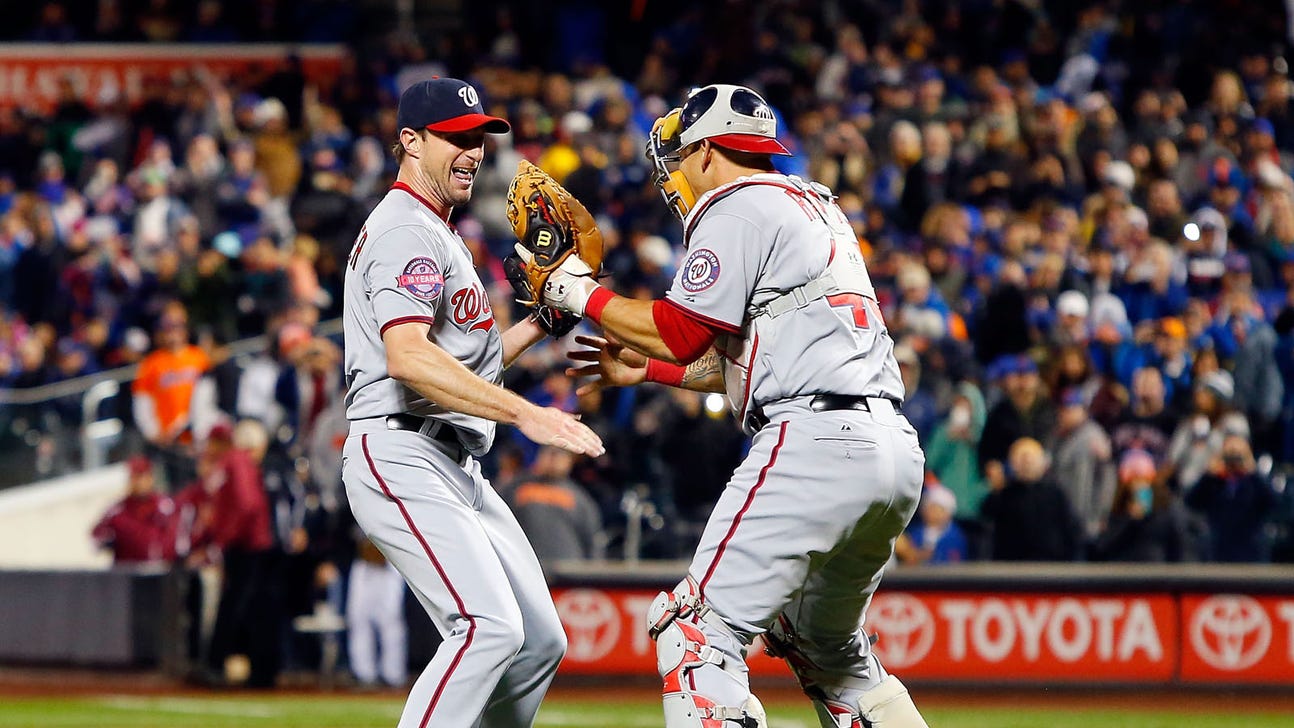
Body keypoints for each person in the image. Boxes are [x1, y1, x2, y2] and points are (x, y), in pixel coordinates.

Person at [553, 84, 929, 727]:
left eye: (681, 155)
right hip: (888, 449)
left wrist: (576, 291)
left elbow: (680, 329)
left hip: (816, 442)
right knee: (829, 652)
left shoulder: (737, 204)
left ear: (707, 151)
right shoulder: (809, 204)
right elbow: (749, 355)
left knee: (695, 631)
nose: (675, 173)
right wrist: (651, 369)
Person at [339, 78, 603, 728]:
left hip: (452, 460)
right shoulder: (404, 230)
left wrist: (542, 321)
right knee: (488, 627)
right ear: (410, 141)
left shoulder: (437, 230)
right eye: (456, 138)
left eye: (479, 138)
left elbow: (460, 368)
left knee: (538, 641)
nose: (474, 151)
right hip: (400, 447)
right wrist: (525, 414)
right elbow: (408, 358)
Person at [131, 301, 210, 489]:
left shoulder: (200, 357)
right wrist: (154, 432)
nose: (174, 332)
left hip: (200, 438)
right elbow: (142, 402)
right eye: (169, 327)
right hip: (171, 443)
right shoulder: (151, 364)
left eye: (178, 326)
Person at [91, 454, 177, 564]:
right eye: (134, 477)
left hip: (159, 568)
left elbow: (178, 537)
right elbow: (96, 538)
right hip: (127, 570)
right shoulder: (117, 510)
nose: (139, 482)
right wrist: (108, 541)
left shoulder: (166, 506)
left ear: (150, 478)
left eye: (142, 477)